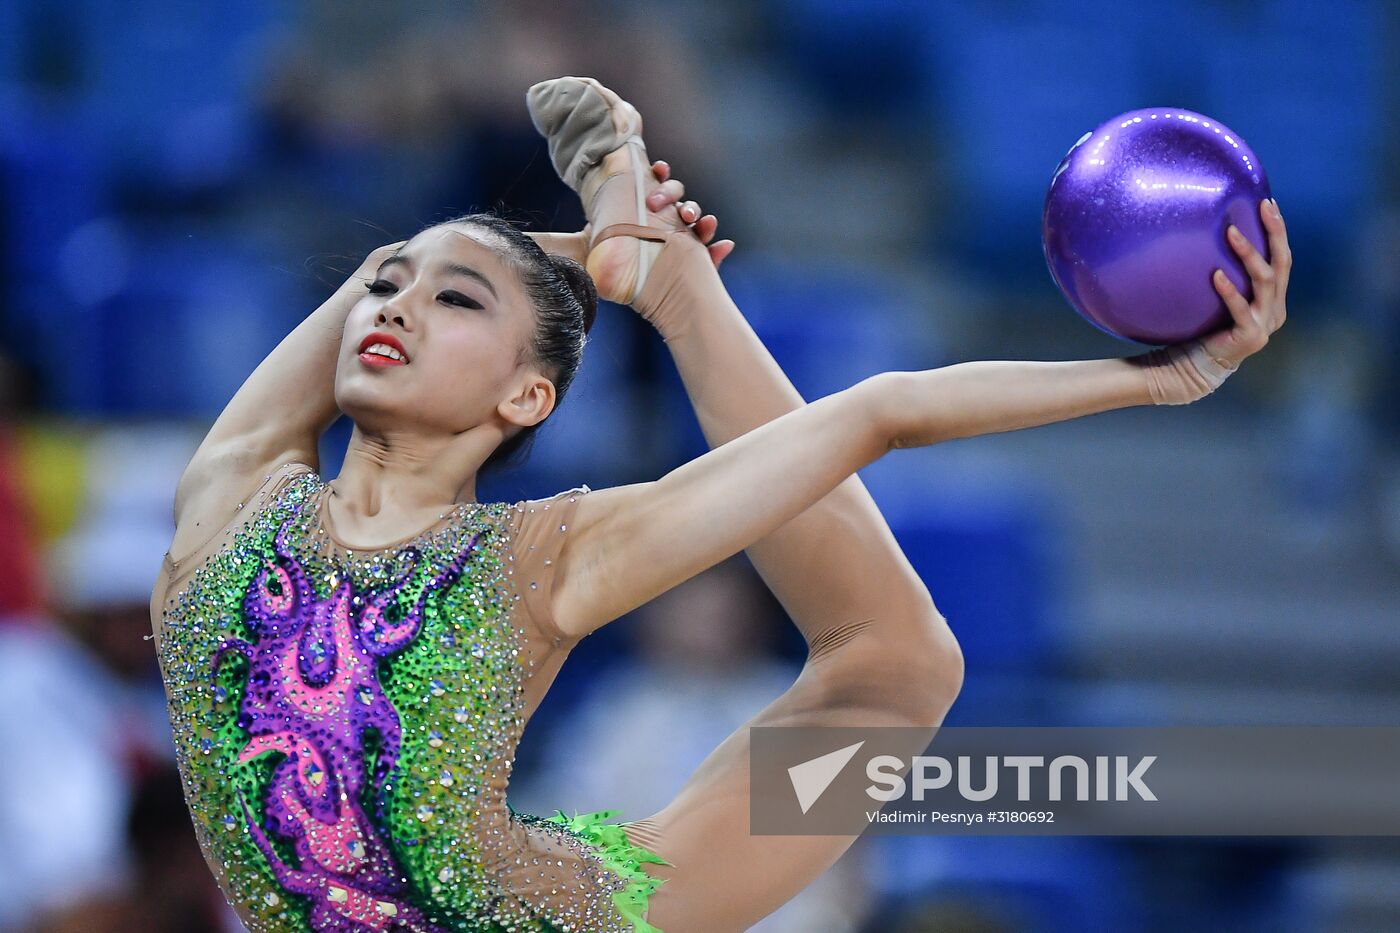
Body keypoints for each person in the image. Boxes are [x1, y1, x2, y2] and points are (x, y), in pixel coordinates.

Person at [149, 77, 1290, 933]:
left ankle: (681, 295)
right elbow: (392, 266)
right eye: (386, 286)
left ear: (529, 392)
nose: (393, 303)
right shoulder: (231, 497)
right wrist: (564, 247)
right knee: (898, 665)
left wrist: (1159, 378)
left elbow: (881, 408)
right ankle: (658, 275)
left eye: (452, 301)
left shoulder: (539, 559)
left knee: (897, 664)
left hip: (570, 917)